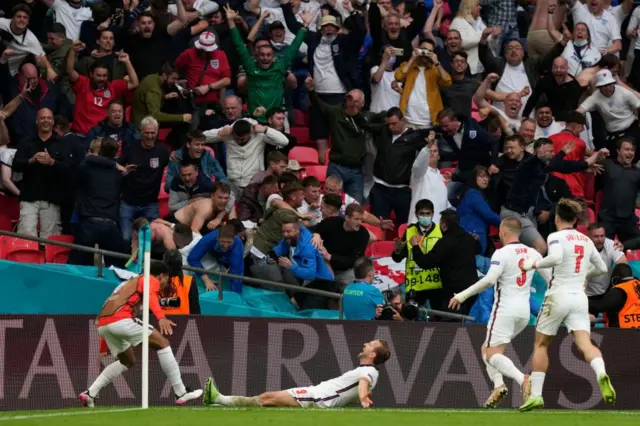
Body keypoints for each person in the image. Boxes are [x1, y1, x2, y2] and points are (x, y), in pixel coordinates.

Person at [519, 199, 614, 412]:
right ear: (575, 219)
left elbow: (555, 257)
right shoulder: (586, 239)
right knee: (585, 343)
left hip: (558, 295)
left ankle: (536, 396)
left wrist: (532, 264)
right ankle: (600, 373)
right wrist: (582, 275)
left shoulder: (555, 236)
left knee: (541, 344)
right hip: (579, 297)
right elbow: (600, 267)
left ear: (557, 218)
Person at [78, 254, 202, 407]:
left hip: (103, 325)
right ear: (161, 276)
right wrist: (161, 317)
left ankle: (90, 393)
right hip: (120, 320)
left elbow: (106, 313)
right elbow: (150, 295)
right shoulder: (149, 279)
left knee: (127, 360)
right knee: (163, 343)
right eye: (166, 280)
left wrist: (103, 348)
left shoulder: (125, 286)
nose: (164, 285)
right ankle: (181, 392)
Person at [449, 218, 547, 408]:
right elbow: (550, 277)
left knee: (491, 353)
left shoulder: (501, 253)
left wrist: (462, 295)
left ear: (503, 232)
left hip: (505, 310)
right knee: (487, 348)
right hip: (524, 313)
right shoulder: (533, 252)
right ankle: (498, 385)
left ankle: (522, 379)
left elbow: (489, 280)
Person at [203, 338, 390, 408]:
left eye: (371, 344)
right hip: (317, 394)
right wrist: (360, 396)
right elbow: (356, 389)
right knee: (270, 402)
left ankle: (219, 399)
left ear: (372, 354)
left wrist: (363, 397)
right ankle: (221, 402)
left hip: (318, 398)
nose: (365, 343)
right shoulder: (366, 370)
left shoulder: (369, 371)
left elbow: (364, 383)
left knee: (269, 398)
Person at [68, 137, 129, 267]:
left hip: (89, 224)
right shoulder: (117, 172)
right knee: (117, 269)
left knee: (76, 268)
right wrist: (114, 164)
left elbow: (87, 161)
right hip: (110, 225)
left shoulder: (86, 167)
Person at [12, 108, 73, 238]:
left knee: (50, 239)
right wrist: (31, 160)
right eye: (43, 118)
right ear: (36, 121)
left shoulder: (62, 143)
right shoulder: (26, 141)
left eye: (49, 118)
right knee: (26, 236)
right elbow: (16, 165)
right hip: (29, 197)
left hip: (52, 198)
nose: (46, 121)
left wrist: (52, 162)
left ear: (53, 122)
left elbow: (69, 169)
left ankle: (47, 259)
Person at [410, 208, 481, 315]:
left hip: (454, 292)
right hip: (472, 290)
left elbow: (425, 263)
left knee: (451, 324)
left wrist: (415, 246)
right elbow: (478, 249)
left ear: (443, 225)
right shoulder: (469, 238)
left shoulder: (445, 242)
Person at [118, 116, 170, 241]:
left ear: (157, 133)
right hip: (128, 202)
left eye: (152, 133)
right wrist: (124, 171)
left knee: (153, 238)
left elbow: (175, 165)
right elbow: (117, 164)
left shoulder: (163, 151)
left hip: (150, 203)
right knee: (126, 238)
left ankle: (147, 261)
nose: (149, 136)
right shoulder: (131, 147)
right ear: (141, 132)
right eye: (146, 133)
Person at [392, 199, 443, 309]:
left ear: (433, 213)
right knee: (413, 322)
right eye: (422, 214)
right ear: (416, 214)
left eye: (428, 213)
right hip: (415, 286)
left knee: (439, 321)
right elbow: (397, 258)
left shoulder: (440, 231)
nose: (425, 216)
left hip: (436, 285)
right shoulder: (409, 231)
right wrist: (398, 250)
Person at [310, 204, 370, 286]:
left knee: (358, 279)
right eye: (356, 219)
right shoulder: (332, 222)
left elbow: (352, 260)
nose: (359, 222)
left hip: (346, 270)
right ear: (347, 218)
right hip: (323, 263)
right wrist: (316, 234)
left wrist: (330, 257)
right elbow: (314, 229)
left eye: (361, 219)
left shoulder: (363, 234)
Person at [187, 224, 245, 293]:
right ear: (217, 238)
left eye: (229, 242)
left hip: (230, 259)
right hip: (216, 255)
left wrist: (234, 296)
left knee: (236, 276)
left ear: (234, 239)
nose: (226, 245)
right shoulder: (208, 239)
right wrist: (206, 279)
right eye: (223, 242)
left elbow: (236, 275)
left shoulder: (237, 246)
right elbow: (192, 258)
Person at [589, 263, 640, 328]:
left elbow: (600, 306)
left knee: (596, 337)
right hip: (636, 331)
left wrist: (582, 301)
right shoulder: (636, 286)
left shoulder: (621, 289)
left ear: (615, 279)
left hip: (623, 332)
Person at [586, 223, 628, 300]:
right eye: (596, 236)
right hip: (587, 294)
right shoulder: (583, 246)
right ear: (588, 236)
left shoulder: (610, 244)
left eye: (602, 236)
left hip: (606, 292)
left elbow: (624, 265)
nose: (600, 239)